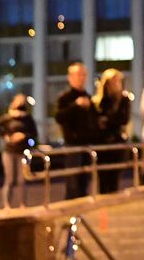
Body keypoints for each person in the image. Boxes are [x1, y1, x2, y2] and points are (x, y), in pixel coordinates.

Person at [54, 60, 98, 199]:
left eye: (83, 74)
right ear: (70, 77)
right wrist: (76, 105)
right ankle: (71, 215)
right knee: (73, 182)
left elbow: (94, 120)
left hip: (87, 145)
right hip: (73, 145)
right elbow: (59, 117)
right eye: (78, 74)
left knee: (84, 182)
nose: (81, 77)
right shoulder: (65, 98)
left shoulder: (89, 98)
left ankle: (80, 214)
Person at [0, 94, 39, 209]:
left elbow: (34, 134)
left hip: (23, 151)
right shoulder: (8, 117)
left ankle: (23, 204)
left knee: (22, 179)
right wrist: (6, 135)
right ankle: (7, 205)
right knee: (10, 179)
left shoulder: (28, 118)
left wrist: (24, 136)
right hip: (9, 150)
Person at [94, 68, 133, 194]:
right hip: (101, 143)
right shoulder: (99, 100)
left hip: (117, 144)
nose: (115, 84)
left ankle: (111, 202)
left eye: (117, 81)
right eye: (112, 81)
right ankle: (103, 211)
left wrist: (107, 120)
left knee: (114, 178)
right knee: (102, 179)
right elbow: (96, 120)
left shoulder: (124, 99)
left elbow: (123, 119)